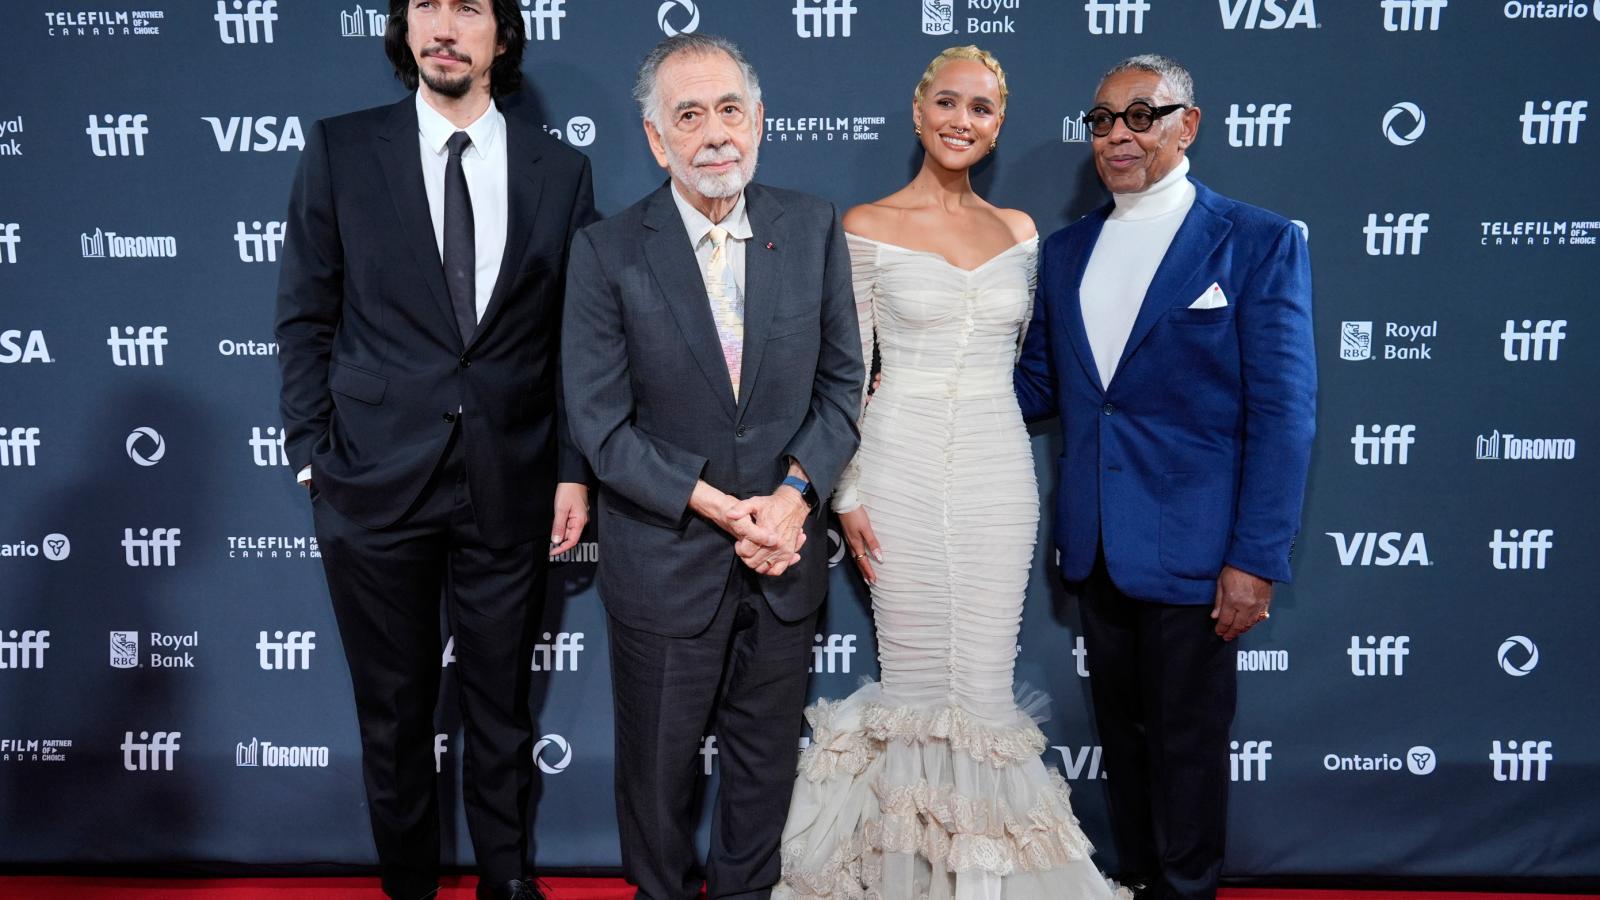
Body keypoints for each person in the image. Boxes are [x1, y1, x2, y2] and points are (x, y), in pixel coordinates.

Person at [777, 47, 1124, 899]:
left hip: (999, 470)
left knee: (983, 681)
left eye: (981, 108)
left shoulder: (1019, 232)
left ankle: (985, 879)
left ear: (998, 124)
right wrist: (846, 492)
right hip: (897, 465)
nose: (961, 120)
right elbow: (846, 371)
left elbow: (1033, 361)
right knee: (921, 677)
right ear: (917, 110)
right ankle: (909, 875)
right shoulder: (865, 224)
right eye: (947, 102)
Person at [274, 0, 596, 896]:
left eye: (467, 7)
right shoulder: (343, 148)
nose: (443, 26)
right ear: (404, 29)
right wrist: (313, 455)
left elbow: (577, 337)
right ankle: (409, 886)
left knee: (502, 712)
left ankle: (508, 881)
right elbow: (305, 314)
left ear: (501, 34)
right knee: (393, 714)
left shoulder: (559, 170)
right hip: (371, 482)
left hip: (512, 478)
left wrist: (573, 467)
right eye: (425, 5)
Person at [560, 33, 863, 900]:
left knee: (764, 770)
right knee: (656, 781)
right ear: (658, 140)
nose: (716, 132)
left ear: (760, 120)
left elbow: (844, 384)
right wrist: (724, 508)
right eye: (689, 115)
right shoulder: (607, 251)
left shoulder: (810, 226)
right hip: (666, 557)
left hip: (784, 554)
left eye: (731, 109)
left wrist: (796, 498)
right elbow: (601, 424)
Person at [1014, 55, 1316, 900]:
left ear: (1189, 123)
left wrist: (1255, 557)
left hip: (1200, 546)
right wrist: (922, 380)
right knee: (1125, 738)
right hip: (1097, 542)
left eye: (1141, 115)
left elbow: (1285, 415)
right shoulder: (1067, 250)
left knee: (1187, 743)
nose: (1118, 135)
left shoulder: (1256, 241)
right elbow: (1039, 385)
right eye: (1103, 119)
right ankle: (1140, 882)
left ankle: (1187, 891)